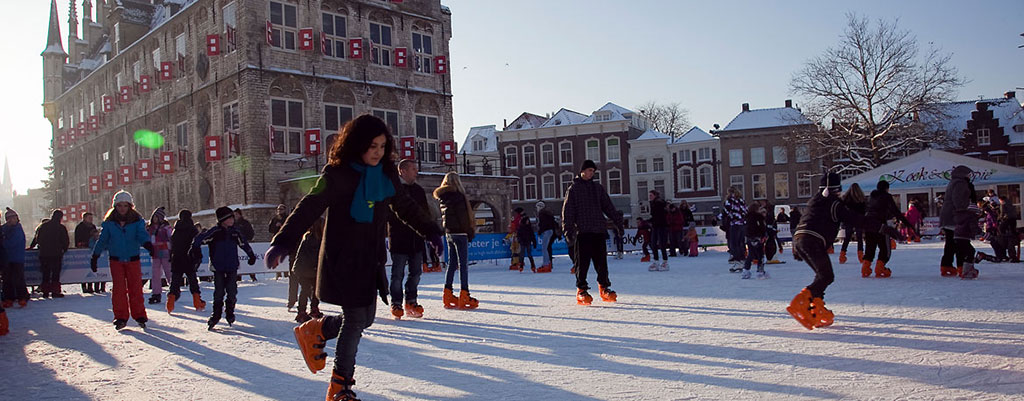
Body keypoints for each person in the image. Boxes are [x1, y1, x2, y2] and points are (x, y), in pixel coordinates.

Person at [265, 115, 443, 401]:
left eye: (383, 146)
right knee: (356, 319)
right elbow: (309, 206)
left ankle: (317, 329)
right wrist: (284, 241)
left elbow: (406, 208)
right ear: (357, 144)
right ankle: (340, 386)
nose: (377, 152)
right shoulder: (337, 175)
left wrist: (431, 231)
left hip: (370, 259)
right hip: (342, 258)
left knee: (365, 319)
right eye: (372, 145)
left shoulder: (386, 177)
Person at [786, 173, 863, 330]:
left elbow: (805, 221)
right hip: (812, 241)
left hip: (801, 239)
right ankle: (802, 301)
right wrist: (882, 227)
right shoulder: (834, 204)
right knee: (827, 276)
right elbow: (856, 220)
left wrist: (797, 247)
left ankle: (816, 306)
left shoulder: (814, 201)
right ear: (836, 190)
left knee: (821, 275)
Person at [90, 191, 156, 330]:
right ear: (115, 206)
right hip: (116, 260)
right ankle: (120, 317)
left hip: (133, 259)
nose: (122, 208)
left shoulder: (137, 221)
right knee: (119, 289)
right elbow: (102, 240)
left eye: (125, 205)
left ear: (130, 206)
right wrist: (95, 256)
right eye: (119, 205)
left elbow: (142, 235)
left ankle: (139, 314)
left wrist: (148, 245)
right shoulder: (109, 223)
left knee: (136, 288)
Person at [562, 159, 623, 305]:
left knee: (601, 262)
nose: (591, 173)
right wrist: (567, 229)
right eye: (589, 170)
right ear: (582, 171)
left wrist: (618, 222)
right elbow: (568, 211)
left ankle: (604, 288)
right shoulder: (574, 189)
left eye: (593, 171)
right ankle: (581, 290)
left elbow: (608, 207)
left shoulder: (597, 188)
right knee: (582, 263)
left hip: (598, 229)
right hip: (582, 231)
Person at [191, 206, 257, 330]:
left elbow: (243, 243)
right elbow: (200, 239)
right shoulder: (215, 232)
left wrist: (251, 255)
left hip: (232, 266)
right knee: (219, 293)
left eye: (233, 217)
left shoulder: (235, 232)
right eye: (230, 218)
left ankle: (230, 312)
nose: (232, 220)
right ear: (223, 220)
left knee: (232, 292)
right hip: (218, 267)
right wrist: (194, 249)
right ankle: (215, 316)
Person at [387, 159, 431, 319]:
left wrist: (427, 231)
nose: (416, 172)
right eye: (413, 169)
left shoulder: (419, 191)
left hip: (416, 239)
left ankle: (411, 300)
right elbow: (389, 213)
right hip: (399, 237)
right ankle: (396, 303)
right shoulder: (393, 190)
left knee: (416, 273)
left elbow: (425, 214)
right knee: (397, 274)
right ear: (402, 171)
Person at [434, 172, 480, 307]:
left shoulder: (442, 197)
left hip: (449, 233)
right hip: (461, 233)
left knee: (452, 264)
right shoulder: (458, 196)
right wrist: (469, 231)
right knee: (463, 264)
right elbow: (463, 216)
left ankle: (447, 293)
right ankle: (465, 293)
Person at [861, 180, 915, 278]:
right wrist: (906, 223)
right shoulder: (886, 196)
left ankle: (865, 268)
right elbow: (895, 211)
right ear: (886, 188)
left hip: (868, 224)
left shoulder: (871, 197)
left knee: (870, 246)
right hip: (880, 224)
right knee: (885, 248)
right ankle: (880, 267)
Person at [939, 166, 981, 279]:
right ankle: (961, 266)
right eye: (968, 174)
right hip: (955, 216)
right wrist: (963, 212)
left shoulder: (953, 182)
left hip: (948, 216)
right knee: (960, 241)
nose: (970, 177)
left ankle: (946, 265)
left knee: (950, 243)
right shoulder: (961, 183)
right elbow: (958, 200)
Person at [166, 209, 204, 314]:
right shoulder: (192, 230)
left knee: (175, 282)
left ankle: (170, 303)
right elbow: (196, 245)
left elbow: (172, 245)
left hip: (177, 258)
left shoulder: (176, 229)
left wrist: (171, 256)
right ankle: (197, 301)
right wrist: (198, 257)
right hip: (188, 258)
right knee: (193, 281)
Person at [292, 217, 324, 323]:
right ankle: (311, 309)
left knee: (305, 290)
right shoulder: (317, 239)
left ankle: (303, 310)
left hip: (302, 268)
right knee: (314, 290)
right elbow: (314, 256)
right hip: (309, 269)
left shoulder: (307, 236)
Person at [34, 209, 70, 298]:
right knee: (55, 273)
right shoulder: (61, 228)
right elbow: (65, 241)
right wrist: (63, 249)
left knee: (45, 273)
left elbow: (38, 239)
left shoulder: (43, 226)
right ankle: (55, 291)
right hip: (56, 254)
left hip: (44, 254)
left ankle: (45, 292)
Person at [2, 208, 28, 308]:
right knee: (7, 280)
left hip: (17, 258)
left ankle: (22, 297)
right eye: (9, 218)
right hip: (6, 259)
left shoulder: (18, 229)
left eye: (13, 218)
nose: (12, 220)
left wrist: (2, 243)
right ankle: (9, 298)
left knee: (18, 279)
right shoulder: (4, 228)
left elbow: (11, 243)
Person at [147, 207, 173, 304]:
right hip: (155, 253)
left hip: (165, 252)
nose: (155, 219)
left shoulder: (166, 228)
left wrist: (171, 250)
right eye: (154, 217)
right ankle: (156, 293)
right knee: (155, 274)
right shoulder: (150, 228)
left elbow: (171, 238)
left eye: (157, 217)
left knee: (168, 272)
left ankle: (173, 289)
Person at [75, 212, 105, 293]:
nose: (91, 219)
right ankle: (84, 286)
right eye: (89, 218)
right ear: (84, 218)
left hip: (92, 248)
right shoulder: (80, 227)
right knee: (84, 268)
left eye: (91, 218)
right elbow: (77, 239)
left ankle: (91, 285)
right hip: (83, 249)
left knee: (92, 268)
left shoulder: (93, 226)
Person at [839, 183, 866, 264]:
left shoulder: (846, 199)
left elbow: (842, 209)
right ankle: (861, 256)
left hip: (849, 220)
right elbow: (864, 211)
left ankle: (842, 255)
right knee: (859, 238)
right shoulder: (861, 199)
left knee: (847, 238)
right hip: (858, 219)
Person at [741, 201, 768, 279]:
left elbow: (746, 229)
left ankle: (746, 270)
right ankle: (760, 271)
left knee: (751, 254)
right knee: (760, 254)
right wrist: (763, 235)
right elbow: (762, 227)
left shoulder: (747, 218)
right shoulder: (759, 217)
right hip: (758, 237)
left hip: (750, 238)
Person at [233, 209, 258, 283]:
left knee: (248, 258)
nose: (235, 216)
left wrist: (246, 239)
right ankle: (238, 277)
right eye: (234, 215)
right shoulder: (233, 224)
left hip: (245, 243)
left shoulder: (245, 223)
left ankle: (252, 275)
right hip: (236, 245)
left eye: (236, 214)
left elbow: (251, 233)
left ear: (240, 214)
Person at [725, 187, 748, 265]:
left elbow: (726, 212)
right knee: (741, 242)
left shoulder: (730, 201)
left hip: (735, 224)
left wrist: (716, 218)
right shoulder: (741, 201)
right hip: (742, 224)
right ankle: (742, 258)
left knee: (734, 243)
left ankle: (737, 260)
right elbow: (746, 211)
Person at [647, 190, 670, 271]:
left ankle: (665, 262)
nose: (649, 197)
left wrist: (652, 220)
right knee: (653, 244)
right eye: (649, 195)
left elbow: (660, 215)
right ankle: (656, 261)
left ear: (655, 195)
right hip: (655, 226)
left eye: (651, 195)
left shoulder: (658, 203)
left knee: (662, 244)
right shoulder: (653, 203)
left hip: (661, 226)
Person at [536, 201, 559, 270]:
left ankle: (546, 264)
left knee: (544, 248)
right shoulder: (547, 214)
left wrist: (540, 230)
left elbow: (543, 224)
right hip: (550, 230)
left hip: (547, 231)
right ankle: (548, 263)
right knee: (546, 247)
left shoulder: (542, 214)